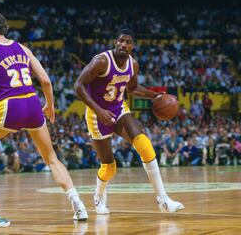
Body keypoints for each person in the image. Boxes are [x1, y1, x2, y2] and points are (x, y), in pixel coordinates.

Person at [0, 11, 87, 222]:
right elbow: (46, 81)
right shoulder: (23, 48)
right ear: (4, 29)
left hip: (10, 106)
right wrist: (50, 105)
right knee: (52, 158)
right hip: (33, 102)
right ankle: (78, 204)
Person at [74, 29, 184, 214]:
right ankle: (99, 197)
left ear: (132, 46)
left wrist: (157, 95)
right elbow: (78, 85)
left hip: (118, 109)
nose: (124, 44)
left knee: (145, 144)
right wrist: (98, 110)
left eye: (128, 42)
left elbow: (132, 88)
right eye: (121, 41)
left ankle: (163, 200)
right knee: (109, 167)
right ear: (115, 42)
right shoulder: (102, 61)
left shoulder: (133, 64)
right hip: (97, 114)